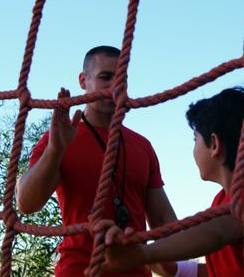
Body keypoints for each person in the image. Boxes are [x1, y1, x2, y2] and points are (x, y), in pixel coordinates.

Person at [99, 87, 244, 277]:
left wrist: (143, 254)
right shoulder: (237, 199)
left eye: (195, 139)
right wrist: (175, 270)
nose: (194, 148)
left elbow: (217, 233)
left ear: (214, 144)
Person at [16, 45, 177, 277]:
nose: (115, 85)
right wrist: (55, 150)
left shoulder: (142, 146)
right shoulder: (59, 138)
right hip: (78, 271)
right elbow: (27, 203)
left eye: (122, 78)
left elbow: (163, 219)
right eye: (105, 77)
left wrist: (178, 265)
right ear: (83, 81)